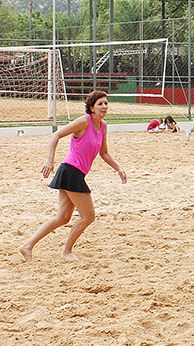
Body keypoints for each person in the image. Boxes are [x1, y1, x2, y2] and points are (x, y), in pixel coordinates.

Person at [19, 91, 127, 262]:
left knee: (62, 217)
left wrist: (118, 168)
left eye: (106, 103)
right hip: (70, 171)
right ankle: (66, 251)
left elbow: (104, 153)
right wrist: (49, 160)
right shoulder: (84, 121)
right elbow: (56, 135)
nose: (104, 106)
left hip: (75, 173)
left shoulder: (103, 126)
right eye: (100, 104)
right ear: (91, 107)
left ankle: (27, 246)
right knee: (88, 216)